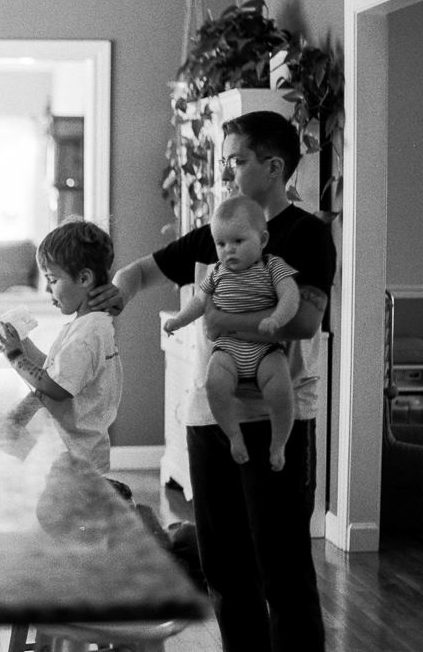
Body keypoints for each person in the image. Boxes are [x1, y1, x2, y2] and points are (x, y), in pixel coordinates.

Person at [89, 110, 334, 652]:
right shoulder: (216, 233)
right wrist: (119, 291)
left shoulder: (307, 235)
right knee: (224, 567)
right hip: (209, 419)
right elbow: (143, 271)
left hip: (278, 423)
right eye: (225, 161)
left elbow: (307, 320)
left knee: (283, 567)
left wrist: (227, 322)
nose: (228, 172)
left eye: (237, 161)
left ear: (274, 167)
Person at [163, 194, 300, 471]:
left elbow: (291, 296)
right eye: (221, 243)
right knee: (214, 384)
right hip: (228, 350)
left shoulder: (272, 266)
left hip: (265, 350)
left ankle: (279, 443)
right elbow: (199, 302)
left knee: (282, 390)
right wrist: (178, 320)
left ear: (262, 240)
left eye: (238, 241)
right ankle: (234, 437)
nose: (229, 250)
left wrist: (277, 318)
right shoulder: (215, 272)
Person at [0, 217, 123, 475]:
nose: (48, 290)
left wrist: (16, 356)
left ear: (84, 278)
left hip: (76, 458)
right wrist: (22, 343)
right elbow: (54, 371)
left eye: (52, 280)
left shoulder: (86, 336)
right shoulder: (90, 326)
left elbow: (56, 388)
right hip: (79, 451)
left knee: (62, 513)